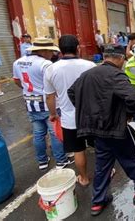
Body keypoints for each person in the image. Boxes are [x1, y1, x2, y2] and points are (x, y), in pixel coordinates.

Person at [68, 45, 135, 216]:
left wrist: (89, 111)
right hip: (117, 128)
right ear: (121, 59)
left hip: (96, 130)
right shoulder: (116, 74)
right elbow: (132, 97)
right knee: (132, 159)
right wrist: (128, 115)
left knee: (102, 165)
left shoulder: (88, 74)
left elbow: (72, 92)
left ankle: (97, 202)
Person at [12, 38, 72, 170]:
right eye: (50, 51)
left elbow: (17, 81)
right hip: (47, 103)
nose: (52, 55)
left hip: (30, 103)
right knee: (54, 132)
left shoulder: (18, 62)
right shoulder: (45, 64)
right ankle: (61, 160)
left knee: (38, 133)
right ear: (44, 51)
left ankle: (42, 161)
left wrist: (28, 91)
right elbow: (53, 85)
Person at [44, 35, 96, 186]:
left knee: (78, 150)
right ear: (78, 48)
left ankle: (84, 178)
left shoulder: (51, 69)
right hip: (91, 116)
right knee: (99, 146)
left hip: (69, 118)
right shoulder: (90, 65)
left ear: (60, 51)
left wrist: (53, 114)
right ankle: (106, 172)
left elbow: (49, 97)